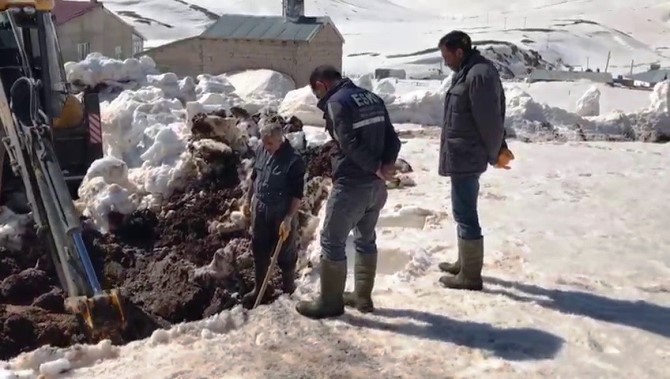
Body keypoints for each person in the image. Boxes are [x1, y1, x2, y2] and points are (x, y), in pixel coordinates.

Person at [295, 65, 401, 319]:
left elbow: (348, 143)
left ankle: (330, 303)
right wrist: (385, 165)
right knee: (366, 238)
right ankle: (362, 296)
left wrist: (375, 167)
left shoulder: (337, 102)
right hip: (376, 188)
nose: (319, 99)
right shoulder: (372, 98)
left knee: (332, 240)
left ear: (322, 85)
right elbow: (393, 139)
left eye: (317, 93)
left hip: (352, 185)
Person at [436, 30, 514, 291]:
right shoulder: (468, 71)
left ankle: (470, 276)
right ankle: (464, 263)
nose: (445, 61)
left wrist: (495, 153)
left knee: (466, 212)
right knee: (462, 210)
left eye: (447, 55)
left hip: (468, 155)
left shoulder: (478, 74)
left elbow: (490, 121)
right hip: (462, 153)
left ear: (459, 52)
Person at [241, 122, 305, 309]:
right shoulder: (262, 149)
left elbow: (297, 194)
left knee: (285, 250)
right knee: (259, 248)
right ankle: (260, 287)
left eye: (270, 143)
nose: (266, 147)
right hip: (260, 208)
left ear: (280, 140)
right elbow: (255, 177)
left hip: (281, 210)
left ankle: (288, 288)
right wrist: (247, 200)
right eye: (264, 142)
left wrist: (288, 218)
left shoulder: (293, 160)